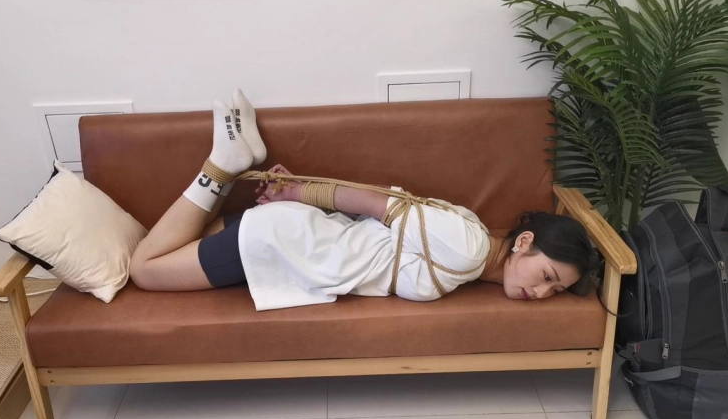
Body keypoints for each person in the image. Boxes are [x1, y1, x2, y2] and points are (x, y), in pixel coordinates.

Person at [129, 90, 598, 311]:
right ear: (524, 242)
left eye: (555, 291)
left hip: (301, 235)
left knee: (170, 248)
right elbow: (381, 204)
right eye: (547, 277)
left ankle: (232, 163)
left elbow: (388, 218)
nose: (541, 294)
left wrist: (299, 196)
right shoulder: (470, 248)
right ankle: (222, 165)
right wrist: (299, 191)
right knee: (144, 270)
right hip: (287, 244)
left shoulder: (471, 237)